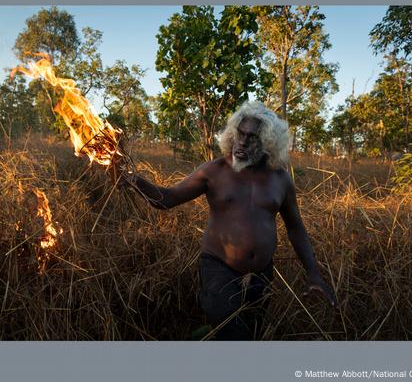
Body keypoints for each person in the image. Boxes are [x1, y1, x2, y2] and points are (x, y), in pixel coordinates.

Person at [119, 101, 337, 340]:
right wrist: (135, 181)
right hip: (219, 269)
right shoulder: (215, 171)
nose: (241, 142)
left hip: (261, 275)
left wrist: (314, 274)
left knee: (252, 332)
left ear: (268, 142)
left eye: (251, 137)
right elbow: (167, 199)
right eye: (239, 133)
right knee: (233, 334)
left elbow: (296, 228)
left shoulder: (280, 179)